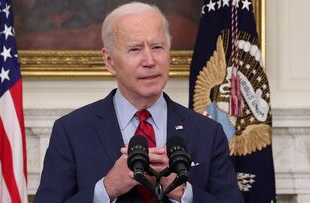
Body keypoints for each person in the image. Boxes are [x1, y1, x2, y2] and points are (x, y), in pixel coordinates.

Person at [35, 2, 244, 203]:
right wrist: (107, 189)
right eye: (135, 49)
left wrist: (182, 192)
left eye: (157, 47)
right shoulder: (71, 131)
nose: (150, 61)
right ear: (109, 61)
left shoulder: (208, 132)